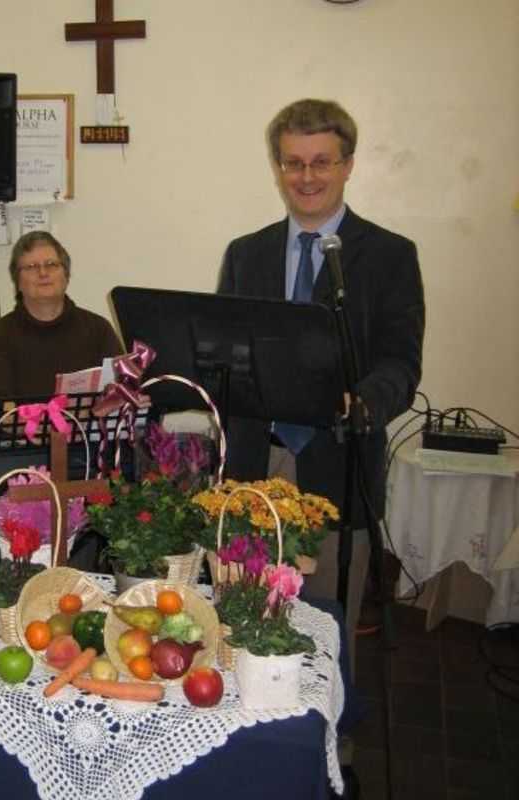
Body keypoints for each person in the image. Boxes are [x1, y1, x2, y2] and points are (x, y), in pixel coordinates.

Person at [218, 98, 425, 670]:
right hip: (256, 463)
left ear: (348, 165)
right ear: (278, 167)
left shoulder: (389, 256)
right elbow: (226, 355)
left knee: (325, 629)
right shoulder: (246, 254)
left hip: (337, 462)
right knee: (244, 618)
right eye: (292, 163)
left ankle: (333, 746)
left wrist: (367, 400)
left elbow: (401, 363)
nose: (305, 177)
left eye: (321, 162)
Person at [0, 230, 123, 437]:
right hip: (14, 446)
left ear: (66, 275)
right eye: (32, 267)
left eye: (52, 264)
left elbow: (121, 389)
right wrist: (31, 425)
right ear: (17, 280)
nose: (43, 273)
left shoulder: (98, 329)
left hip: (83, 445)